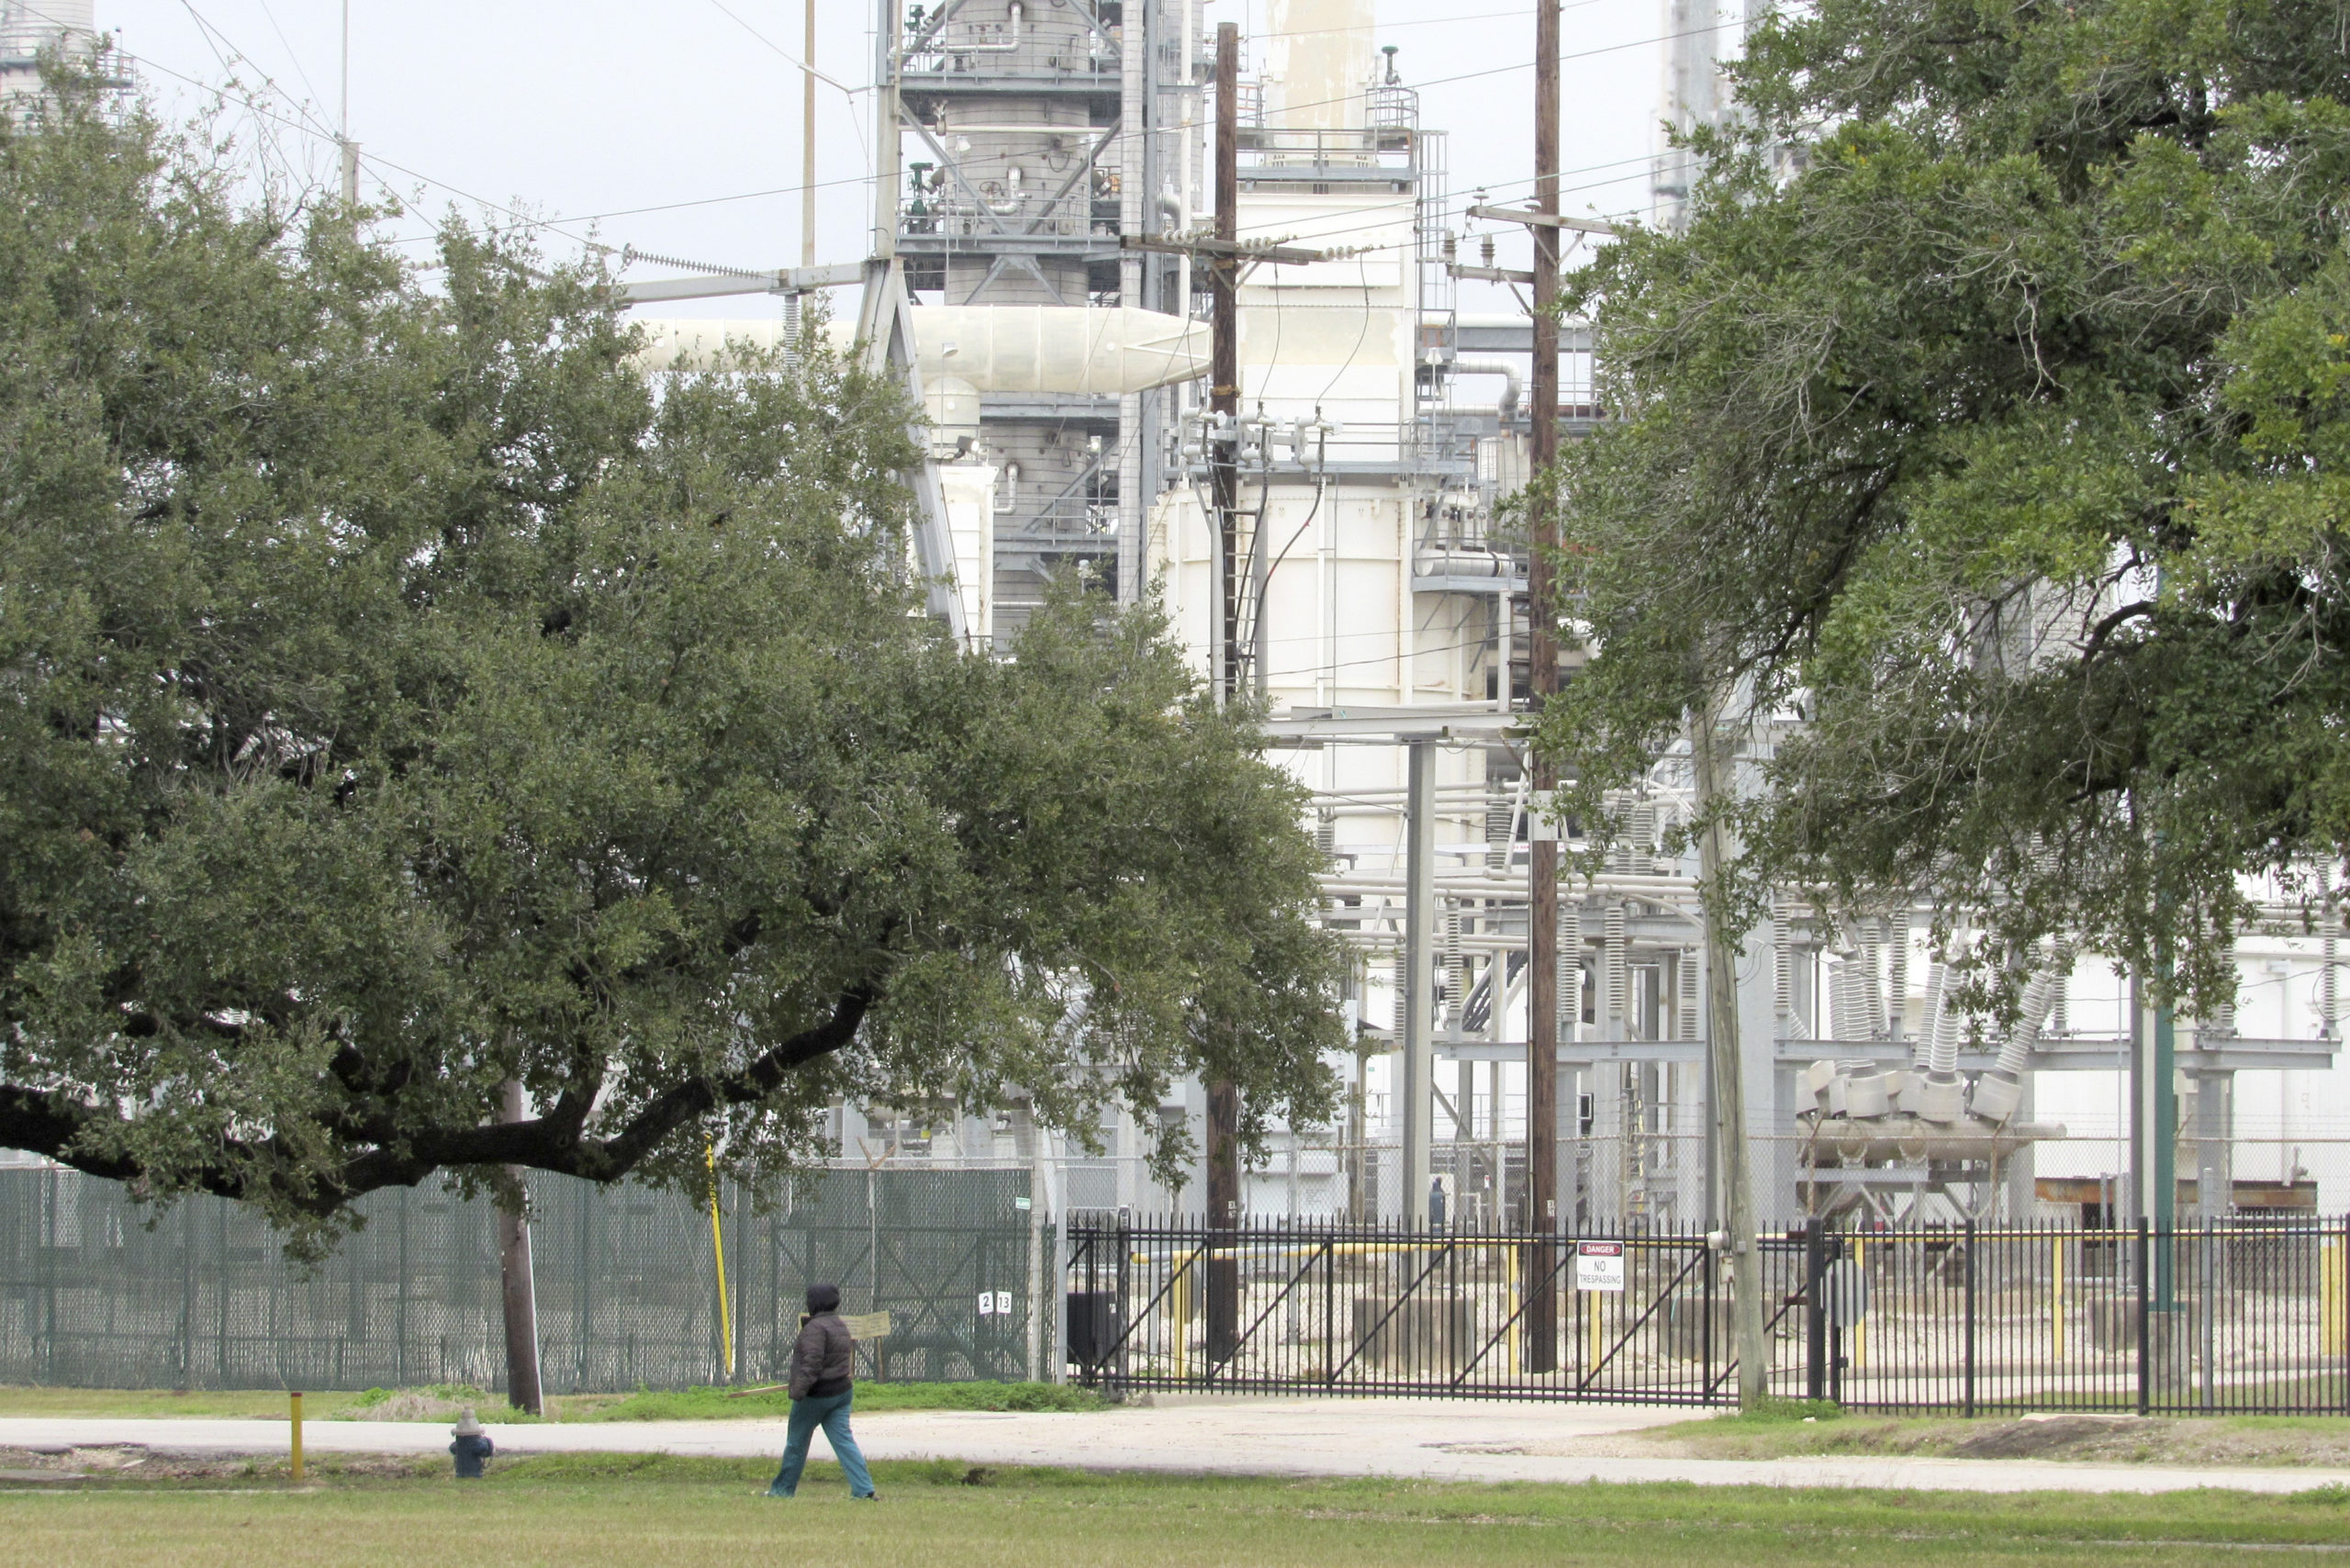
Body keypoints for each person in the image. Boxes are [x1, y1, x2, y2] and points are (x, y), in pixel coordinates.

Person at [767, 1282, 877, 1500]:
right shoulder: (839, 1324)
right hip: (842, 1392)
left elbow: (812, 1364)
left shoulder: (815, 1328)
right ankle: (864, 1490)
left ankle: (782, 1490)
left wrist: (798, 1391)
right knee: (844, 1442)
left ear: (813, 1303)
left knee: (796, 1443)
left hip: (817, 1394)